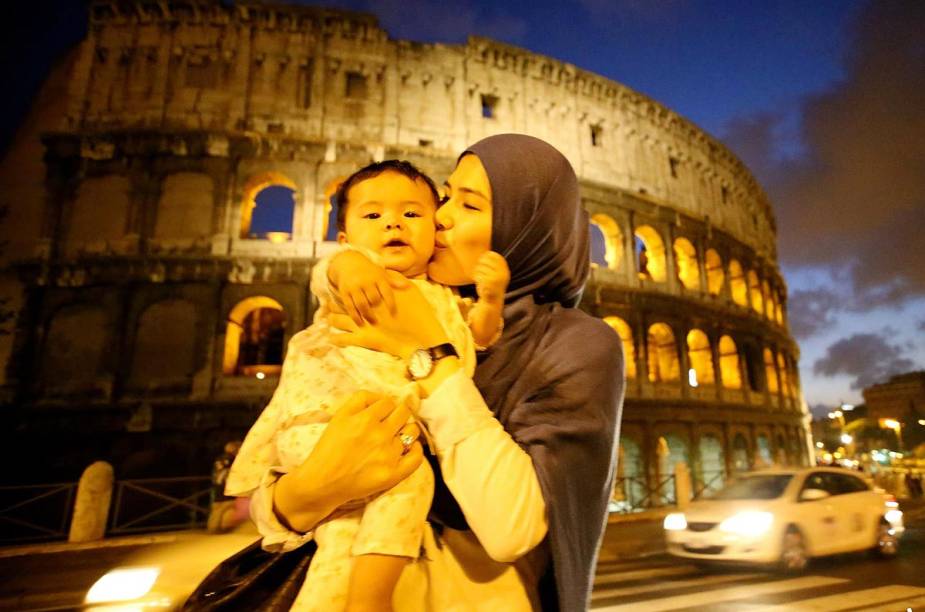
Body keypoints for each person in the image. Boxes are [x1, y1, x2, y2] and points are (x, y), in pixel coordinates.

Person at [256, 134, 625, 611]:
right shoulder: (406, 300)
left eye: (468, 206)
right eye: (447, 196)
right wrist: (307, 493)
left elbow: (511, 530)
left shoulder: (578, 344)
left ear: (523, 228)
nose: (441, 215)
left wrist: (427, 351)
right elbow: (281, 505)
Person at [225, 160, 509, 612]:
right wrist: (353, 266)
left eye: (412, 214)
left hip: (378, 430)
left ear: (434, 232)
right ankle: (372, 602)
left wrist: (491, 299)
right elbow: (331, 273)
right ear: (345, 238)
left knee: (338, 543)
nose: (393, 222)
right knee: (409, 482)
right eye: (373, 216)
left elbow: (479, 337)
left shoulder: (442, 296)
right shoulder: (361, 270)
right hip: (335, 421)